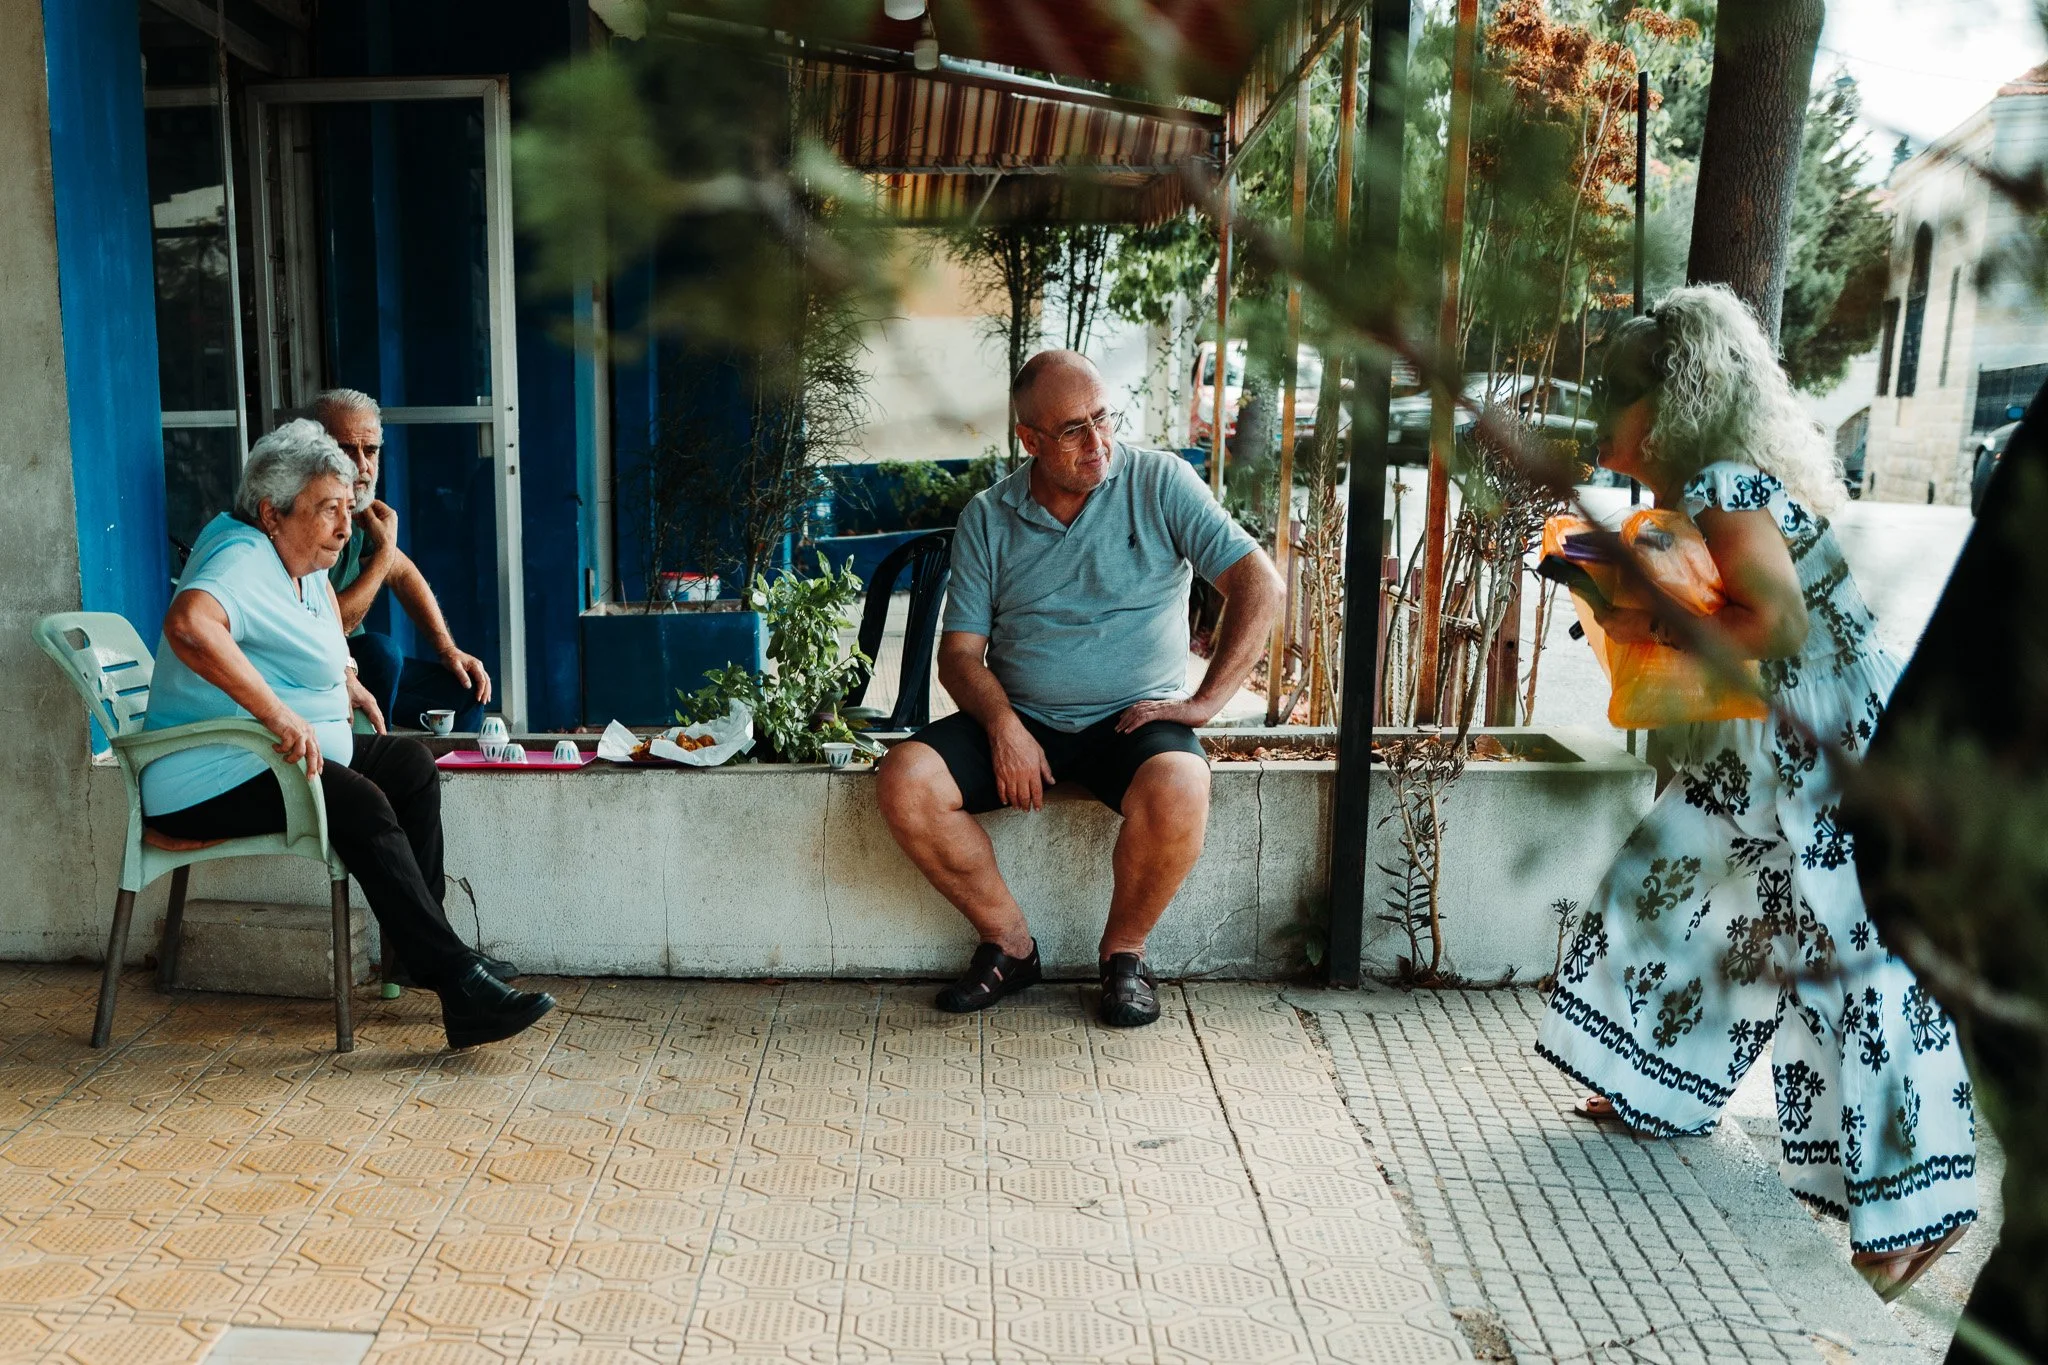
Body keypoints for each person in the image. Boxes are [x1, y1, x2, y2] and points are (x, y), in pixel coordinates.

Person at [1538, 286, 1976, 1298]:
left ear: (1668, 404)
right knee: (1676, 878)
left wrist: (1645, 622)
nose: (1598, 417)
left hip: (1822, 743)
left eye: (1612, 396)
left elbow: (1773, 629)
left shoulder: (1724, 486)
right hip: (1772, 737)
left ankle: (1916, 1210)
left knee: (1857, 973)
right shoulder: (1705, 488)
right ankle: (1648, 1079)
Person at [876, 350, 1284, 1027]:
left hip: (1133, 721)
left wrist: (1204, 703)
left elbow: (1259, 584)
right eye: (1072, 430)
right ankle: (1009, 946)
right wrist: (1005, 726)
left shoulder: (1159, 481)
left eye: (1103, 418)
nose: (1098, 443)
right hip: (1023, 717)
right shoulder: (989, 514)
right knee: (904, 780)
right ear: (1030, 440)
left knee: (1182, 785)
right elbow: (959, 656)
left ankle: (1125, 956)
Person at [139, 420, 553, 1050]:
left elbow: (312, 630)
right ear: (274, 512)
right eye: (329, 509)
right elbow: (191, 626)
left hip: (264, 758)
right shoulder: (242, 555)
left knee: (410, 767)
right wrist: (279, 715)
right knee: (359, 801)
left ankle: (420, 955)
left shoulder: (297, 558)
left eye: (347, 507)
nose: (344, 523)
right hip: (205, 774)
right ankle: (460, 986)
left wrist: (345, 681)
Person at [311, 389, 491, 732]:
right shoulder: (308, 518)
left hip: (361, 669)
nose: (362, 466)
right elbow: (335, 628)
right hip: (321, 671)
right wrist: (384, 553)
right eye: (347, 450)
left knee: (465, 689)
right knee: (381, 653)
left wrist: (447, 648)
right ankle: (382, 756)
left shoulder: (359, 514)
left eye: (371, 451)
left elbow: (403, 573)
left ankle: (439, 775)